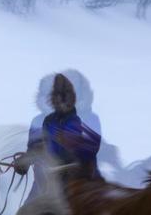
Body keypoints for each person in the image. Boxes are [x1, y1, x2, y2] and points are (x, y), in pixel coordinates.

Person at [14, 70, 102, 198]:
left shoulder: (86, 120)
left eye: (65, 95)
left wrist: (67, 163)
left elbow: (89, 151)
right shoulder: (46, 121)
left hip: (77, 184)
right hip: (45, 184)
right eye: (57, 95)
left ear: (73, 98)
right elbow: (35, 149)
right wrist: (24, 162)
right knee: (25, 214)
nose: (61, 100)